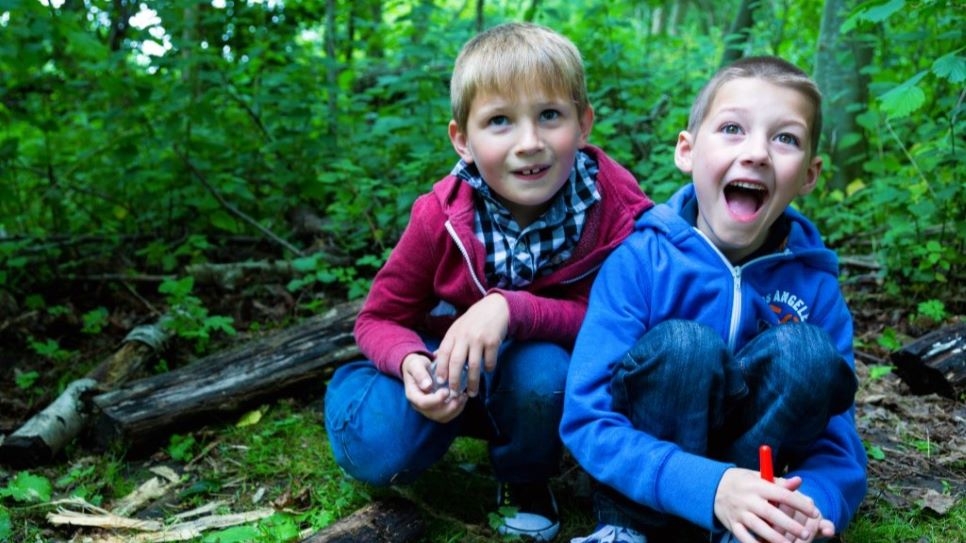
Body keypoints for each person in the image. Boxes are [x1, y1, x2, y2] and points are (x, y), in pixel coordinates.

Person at [324, 22, 652, 541]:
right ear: (463, 140)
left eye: (550, 115)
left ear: (584, 124)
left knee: (546, 369)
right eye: (500, 121)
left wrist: (509, 307)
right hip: (450, 361)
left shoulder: (613, 206)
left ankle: (525, 476)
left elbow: (627, 319)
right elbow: (380, 316)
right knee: (378, 447)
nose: (530, 143)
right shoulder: (441, 215)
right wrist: (410, 361)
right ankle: (378, 404)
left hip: (537, 379)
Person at [560, 56, 867, 543]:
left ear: (809, 175)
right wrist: (710, 486)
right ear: (687, 150)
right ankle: (628, 531)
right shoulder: (643, 259)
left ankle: (756, 524)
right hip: (648, 492)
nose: (758, 153)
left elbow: (836, 441)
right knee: (685, 346)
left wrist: (815, 503)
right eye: (732, 129)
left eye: (784, 138)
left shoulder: (815, 283)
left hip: (755, 491)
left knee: (806, 352)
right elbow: (588, 417)